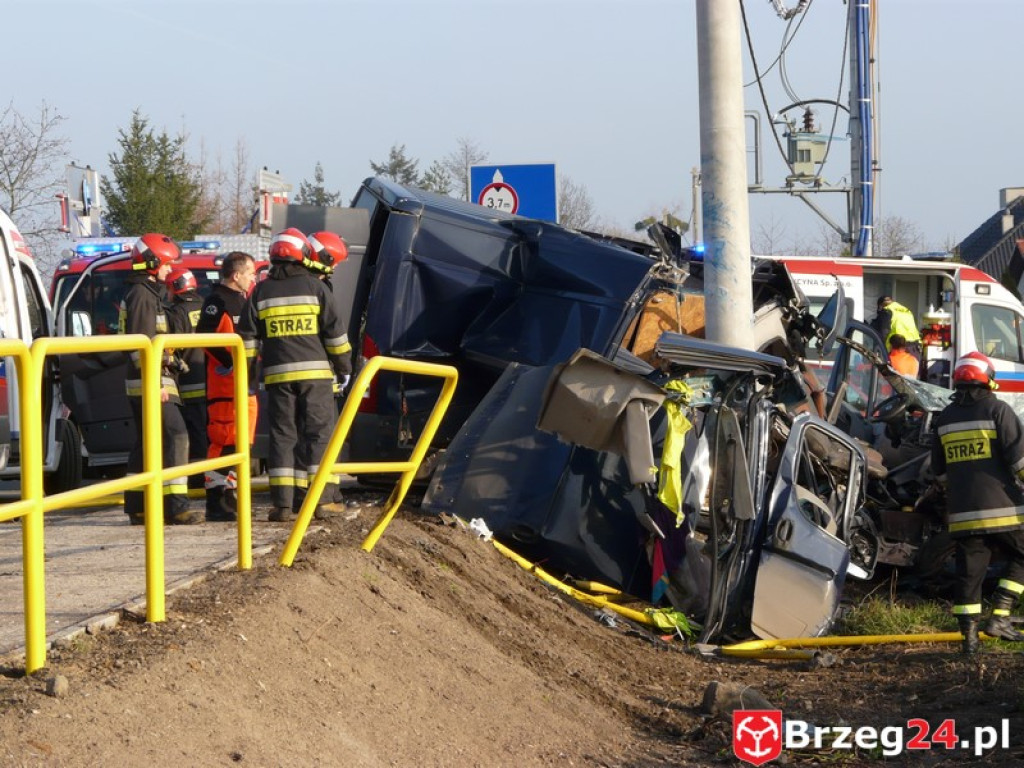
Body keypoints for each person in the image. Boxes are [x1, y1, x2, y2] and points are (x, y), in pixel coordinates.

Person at [238, 229, 352, 522]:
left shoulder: (260, 291)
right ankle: (324, 501)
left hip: (277, 378)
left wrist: (248, 375)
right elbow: (335, 335)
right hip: (315, 377)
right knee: (318, 435)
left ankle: (283, 506)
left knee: (282, 437)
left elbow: (248, 339)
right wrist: (344, 368)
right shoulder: (316, 288)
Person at [932, 351, 1024, 654]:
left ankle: (969, 643)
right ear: (988, 379)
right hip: (1003, 512)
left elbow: (939, 472)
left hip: (963, 515)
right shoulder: (998, 410)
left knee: (969, 578)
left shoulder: (943, 418)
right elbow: (1019, 461)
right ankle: (1000, 615)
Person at [119, 233, 198, 526]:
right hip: (151, 382)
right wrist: (154, 384)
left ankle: (138, 507)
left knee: (146, 444)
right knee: (176, 436)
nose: (169, 270)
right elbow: (142, 345)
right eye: (166, 264)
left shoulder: (146, 293)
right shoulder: (142, 295)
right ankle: (177, 506)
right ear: (152, 263)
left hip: (148, 379)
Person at [195, 251, 259, 521]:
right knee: (224, 441)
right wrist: (230, 363)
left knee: (243, 442)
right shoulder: (217, 301)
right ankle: (217, 500)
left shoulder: (243, 301)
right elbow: (204, 337)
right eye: (250, 273)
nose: (253, 277)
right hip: (225, 387)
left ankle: (232, 497)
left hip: (245, 386)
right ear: (237, 275)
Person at [164, 267, 207, 491]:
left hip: (189, 382)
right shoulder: (205, 306)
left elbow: (173, 346)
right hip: (210, 380)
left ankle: (196, 478)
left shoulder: (177, 313)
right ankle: (207, 475)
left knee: (192, 432)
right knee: (206, 430)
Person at [872, 296, 922, 360]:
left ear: (880, 306)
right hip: (915, 348)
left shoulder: (887, 312)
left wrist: (879, 348)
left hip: (899, 349)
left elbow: (883, 333)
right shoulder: (906, 311)